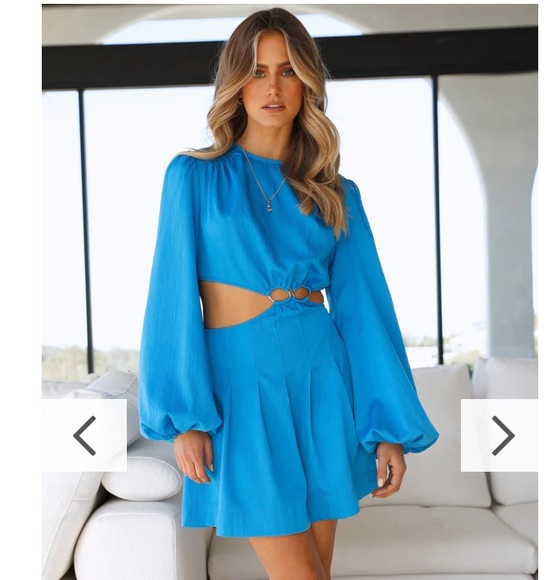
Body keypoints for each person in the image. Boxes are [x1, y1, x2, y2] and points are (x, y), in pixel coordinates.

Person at [138, 7, 439, 579]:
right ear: (236, 82)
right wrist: (186, 419)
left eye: (287, 71)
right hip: (240, 389)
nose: (272, 87)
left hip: (321, 383)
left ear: (308, 83)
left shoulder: (336, 193)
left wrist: (388, 432)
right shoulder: (193, 177)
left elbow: (366, 315)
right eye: (257, 72)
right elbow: (170, 303)